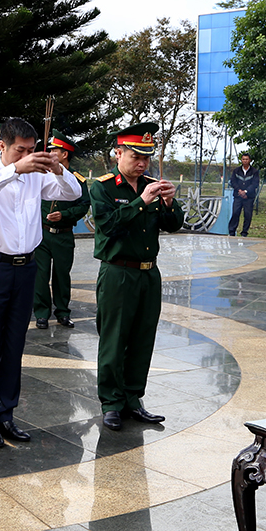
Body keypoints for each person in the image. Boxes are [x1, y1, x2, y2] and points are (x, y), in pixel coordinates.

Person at [0, 118, 82, 447]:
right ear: (2, 145)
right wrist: (15, 169)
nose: (28, 156)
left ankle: (6, 412)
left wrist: (57, 169)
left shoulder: (36, 174)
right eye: (21, 150)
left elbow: (73, 193)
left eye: (32, 150)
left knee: (14, 344)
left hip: (25, 267)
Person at [88, 122, 184, 431]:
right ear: (118, 153)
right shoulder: (103, 187)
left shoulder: (152, 185)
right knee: (114, 339)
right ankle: (111, 403)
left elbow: (173, 224)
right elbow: (108, 226)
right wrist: (140, 202)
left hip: (148, 273)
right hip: (118, 272)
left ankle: (133, 399)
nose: (142, 163)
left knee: (143, 338)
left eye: (146, 157)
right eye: (135, 156)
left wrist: (168, 202)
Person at [33, 131, 90, 329]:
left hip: (63, 234)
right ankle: (41, 313)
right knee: (40, 275)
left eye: (54, 151)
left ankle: (63, 312)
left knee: (62, 275)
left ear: (65, 154)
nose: (50, 154)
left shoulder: (77, 179)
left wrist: (64, 215)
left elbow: (84, 205)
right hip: (42, 233)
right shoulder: (41, 174)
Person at [228, 152, 260, 237]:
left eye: (247, 159)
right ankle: (232, 232)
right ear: (241, 160)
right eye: (243, 159)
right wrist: (239, 191)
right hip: (238, 196)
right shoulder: (236, 171)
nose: (245, 161)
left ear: (250, 160)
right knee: (235, 213)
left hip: (249, 197)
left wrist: (246, 192)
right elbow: (233, 181)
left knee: (248, 215)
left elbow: (255, 184)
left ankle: (244, 233)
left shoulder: (254, 171)